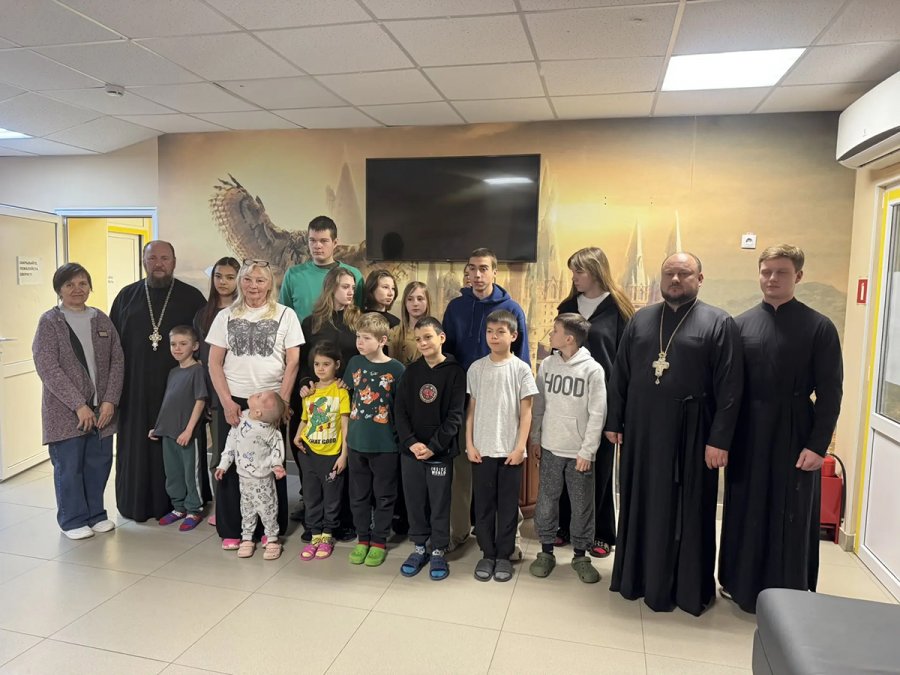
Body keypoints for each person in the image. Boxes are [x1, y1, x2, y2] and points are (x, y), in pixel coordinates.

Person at [605, 252, 743, 616]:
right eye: (669, 273)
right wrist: (614, 421)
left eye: (684, 273)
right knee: (640, 502)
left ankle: (684, 589)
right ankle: (636, 578)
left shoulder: (719, 322)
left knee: (687, 510)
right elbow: (620, 373)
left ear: (700, 278)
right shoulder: (641, 319)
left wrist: (719, 440)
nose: (676, 279)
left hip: (692, 436)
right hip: (642, 431)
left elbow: (731, 389)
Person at [719, 245, 843, 613]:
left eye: (782, 272)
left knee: (791, 511)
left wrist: (818, 446)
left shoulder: (819, 327)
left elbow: (831, 392)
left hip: (795, 430)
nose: (772, 278)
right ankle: (738, 584)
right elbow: (729, 390)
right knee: (744, 507)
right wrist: (722, 439)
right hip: (747, 431)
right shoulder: (739, 325)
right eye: (766, 271)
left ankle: (788, 591)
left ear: (798, 276)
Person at [207, 260, 303, 549]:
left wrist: (282, 402)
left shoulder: (286, 315)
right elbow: (214, 362)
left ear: (270, 284)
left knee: (270, 462)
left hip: (270, 401)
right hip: (235, 399)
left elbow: (293, 361)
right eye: (248, 280)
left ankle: (269, 529)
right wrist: (226, 402)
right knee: (232, 461)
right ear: (240, 282)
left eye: (260, 280)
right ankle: (233, 529)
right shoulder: (225, 315)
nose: (253, 286)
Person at [110, 240, 207, 522]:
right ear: (144, 261)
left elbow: (204, 345)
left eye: (165, 258)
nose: (159, 264)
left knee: (180, 450)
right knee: (137, 446)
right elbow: (112, 348)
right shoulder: (126, 296)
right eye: (152, 258)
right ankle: (135, 501)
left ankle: (184, 503)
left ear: (174, 262)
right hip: (135, 390)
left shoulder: (192, 297)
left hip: (179, 390)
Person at [443, 248, 530, 554]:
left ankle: (510, 538)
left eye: (483, 268)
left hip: (502, 402)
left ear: (495, 272)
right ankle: (458, 532)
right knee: (463, 468)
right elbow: (446, 354)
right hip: (464, 399)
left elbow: (523, 358)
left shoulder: (511, 309)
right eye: (472, 269)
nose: (477, 275)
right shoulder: (456, 307)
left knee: (504, 472)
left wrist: (519, 404)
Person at [33, 263, 124, 539]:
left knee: (98, 464)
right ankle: (72, 520)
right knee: (69, 466)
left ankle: (96, 515)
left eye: (83, 283)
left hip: (102, 409)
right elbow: (48, 367)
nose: (77, 289)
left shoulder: (101, 319)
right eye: (69, 284)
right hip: (66, 411)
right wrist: (78, 404)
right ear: (59, 289)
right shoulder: (50, 322)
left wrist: (110, 400)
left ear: (90, 287)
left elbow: (117, 360)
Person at [555, 247, 634, 558]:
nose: (574, 277)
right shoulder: (566, 307)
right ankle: (564, 525)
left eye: (580, 271)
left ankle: (601, 532)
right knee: (565, 464)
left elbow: (625, 366)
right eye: (572, 271)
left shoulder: (619, 310)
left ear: (597, 271)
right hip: (566, 401)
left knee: (598, 468)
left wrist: (619, 414)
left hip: (603, 403)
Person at [529, 313, 606, 584]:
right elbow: (539, 405)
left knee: (582, 504)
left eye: (555, 331)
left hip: (578, 454)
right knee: (546, 501)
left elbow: (598, 413)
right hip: (550, 448)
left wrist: (587, 451)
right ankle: (546, 551)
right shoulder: (548, 365)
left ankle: (581, 555)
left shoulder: (593, 370)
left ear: (569, 338)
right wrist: (536, 438)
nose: (550, 335)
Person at [467, 310, 538, 583]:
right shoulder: (476, 368)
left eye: (500, 332)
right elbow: (471, 411)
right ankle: (487, 553)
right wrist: (469, 443)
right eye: (489, 332)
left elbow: (527, 413)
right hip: (482, 449)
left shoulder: (521, 369)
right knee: (484, 505)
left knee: (508, 506)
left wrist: (520, 448)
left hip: (510, 451)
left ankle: (504, 555)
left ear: (514, 335)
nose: (494, 337)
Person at [394, 317, 466, 580]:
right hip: (411, 452)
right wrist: (411, 442)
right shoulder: (411, 372)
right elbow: (399, 411)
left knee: (439, 502)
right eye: (418, 339)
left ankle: (438, 549)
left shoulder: (455, 372)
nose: (423, 343)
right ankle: (419, 547)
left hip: (440, 453)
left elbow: (455, 416)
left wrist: (434, 446)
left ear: (441, 338)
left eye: (428, 337)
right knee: (414, 500)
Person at [294, 266, 361, 540]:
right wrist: (304, 382)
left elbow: (364, 358)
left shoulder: (358, 322)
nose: (350, 292)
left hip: (347, 398)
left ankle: (342, 521)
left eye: (353, 288)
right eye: (345, 286)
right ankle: (314, 521)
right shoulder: (311, 323)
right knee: (315, 463)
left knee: (344, 460)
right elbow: (301, 361)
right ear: (331, 287)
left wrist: (352, 382)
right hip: (318, 399)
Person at [341, 313, 405, 567]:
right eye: (358, 337)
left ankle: (379, 540)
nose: (360, 342)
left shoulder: (397, 369)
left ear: (382, 340)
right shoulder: (354, 363)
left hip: (385, 446)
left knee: (384, 496)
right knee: (358, 495)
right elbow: (347, 396)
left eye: (366, 338)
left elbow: (401, 409)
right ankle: (362, 538)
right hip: (357, 443)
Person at [193, 256, 240, 526]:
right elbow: (202, 359)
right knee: (220, 452)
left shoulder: (244, 311)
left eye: (230, 277)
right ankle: (223, 506)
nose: (223, 282)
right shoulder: (203, 314)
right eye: (219, 276)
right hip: (215, 394)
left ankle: (247, 505)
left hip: (243, 389)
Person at [294, 341, 351, 561]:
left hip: (332, 454)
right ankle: (315, 534)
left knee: (332, 498)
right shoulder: (309, 391)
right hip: (309, 453)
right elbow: (305, 419)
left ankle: (327, 535)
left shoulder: (341, 391)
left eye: (326, 364)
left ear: (337, 365)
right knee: (311, 496)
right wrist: (297, 435)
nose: (321, 368)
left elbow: (345, 425)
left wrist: (344, 455)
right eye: (317, 364)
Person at [215, 391, 288, 560]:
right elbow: (230, 444)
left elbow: (277, 448)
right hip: (243, 478)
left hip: (263, 479)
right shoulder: (241, 419)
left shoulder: (269, 431)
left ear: (258, 412)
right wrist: (223, 465)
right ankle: (247, 537)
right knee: (246, 509)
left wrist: (277, 465)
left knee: (268, 509)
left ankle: (272, 538)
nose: (256, 394)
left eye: (259, 397)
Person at [149, 325, 208, 531]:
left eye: (183, 344)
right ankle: (178, 507)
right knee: (173, 473)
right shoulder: (173, 372)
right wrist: (158, 427)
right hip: (168, 432)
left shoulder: (197, 371)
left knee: (190, 473)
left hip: (187, 434)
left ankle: (194, 509)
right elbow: (169, 402)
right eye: (173, 344)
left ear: (195, 346)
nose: (177, 348)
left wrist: (189, 430)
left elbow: (200, 401)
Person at [279, 215, 364, 321]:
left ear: (335, 243)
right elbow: (284, 317)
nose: (317, 246)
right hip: (302, 332)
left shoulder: (354, 275)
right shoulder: (293, 275)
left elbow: (360, 315)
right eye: (312, 240)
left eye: (323, 241)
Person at [388, 281, 430, 365]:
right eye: (410, 299)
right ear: (405, 303)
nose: (415, 303)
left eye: (420, 299)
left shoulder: (435, 332)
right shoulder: (394, 333)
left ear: (427, 302)